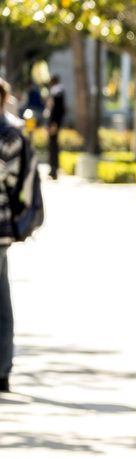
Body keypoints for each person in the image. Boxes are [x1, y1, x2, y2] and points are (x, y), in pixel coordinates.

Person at [0, 78, 24, 393]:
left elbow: (10, 172)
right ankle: (3, 365)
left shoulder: (9, 133)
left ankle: (4, 365)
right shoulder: (11, 132)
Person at [44, 75, 65, 180]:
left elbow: (56, 111)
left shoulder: (57, 92)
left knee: (53, 146)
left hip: (54, 124)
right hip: (54, 123)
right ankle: (53, 169)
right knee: (53, 146)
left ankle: (54, 170)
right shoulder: (58, 92)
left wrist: (52, 123)